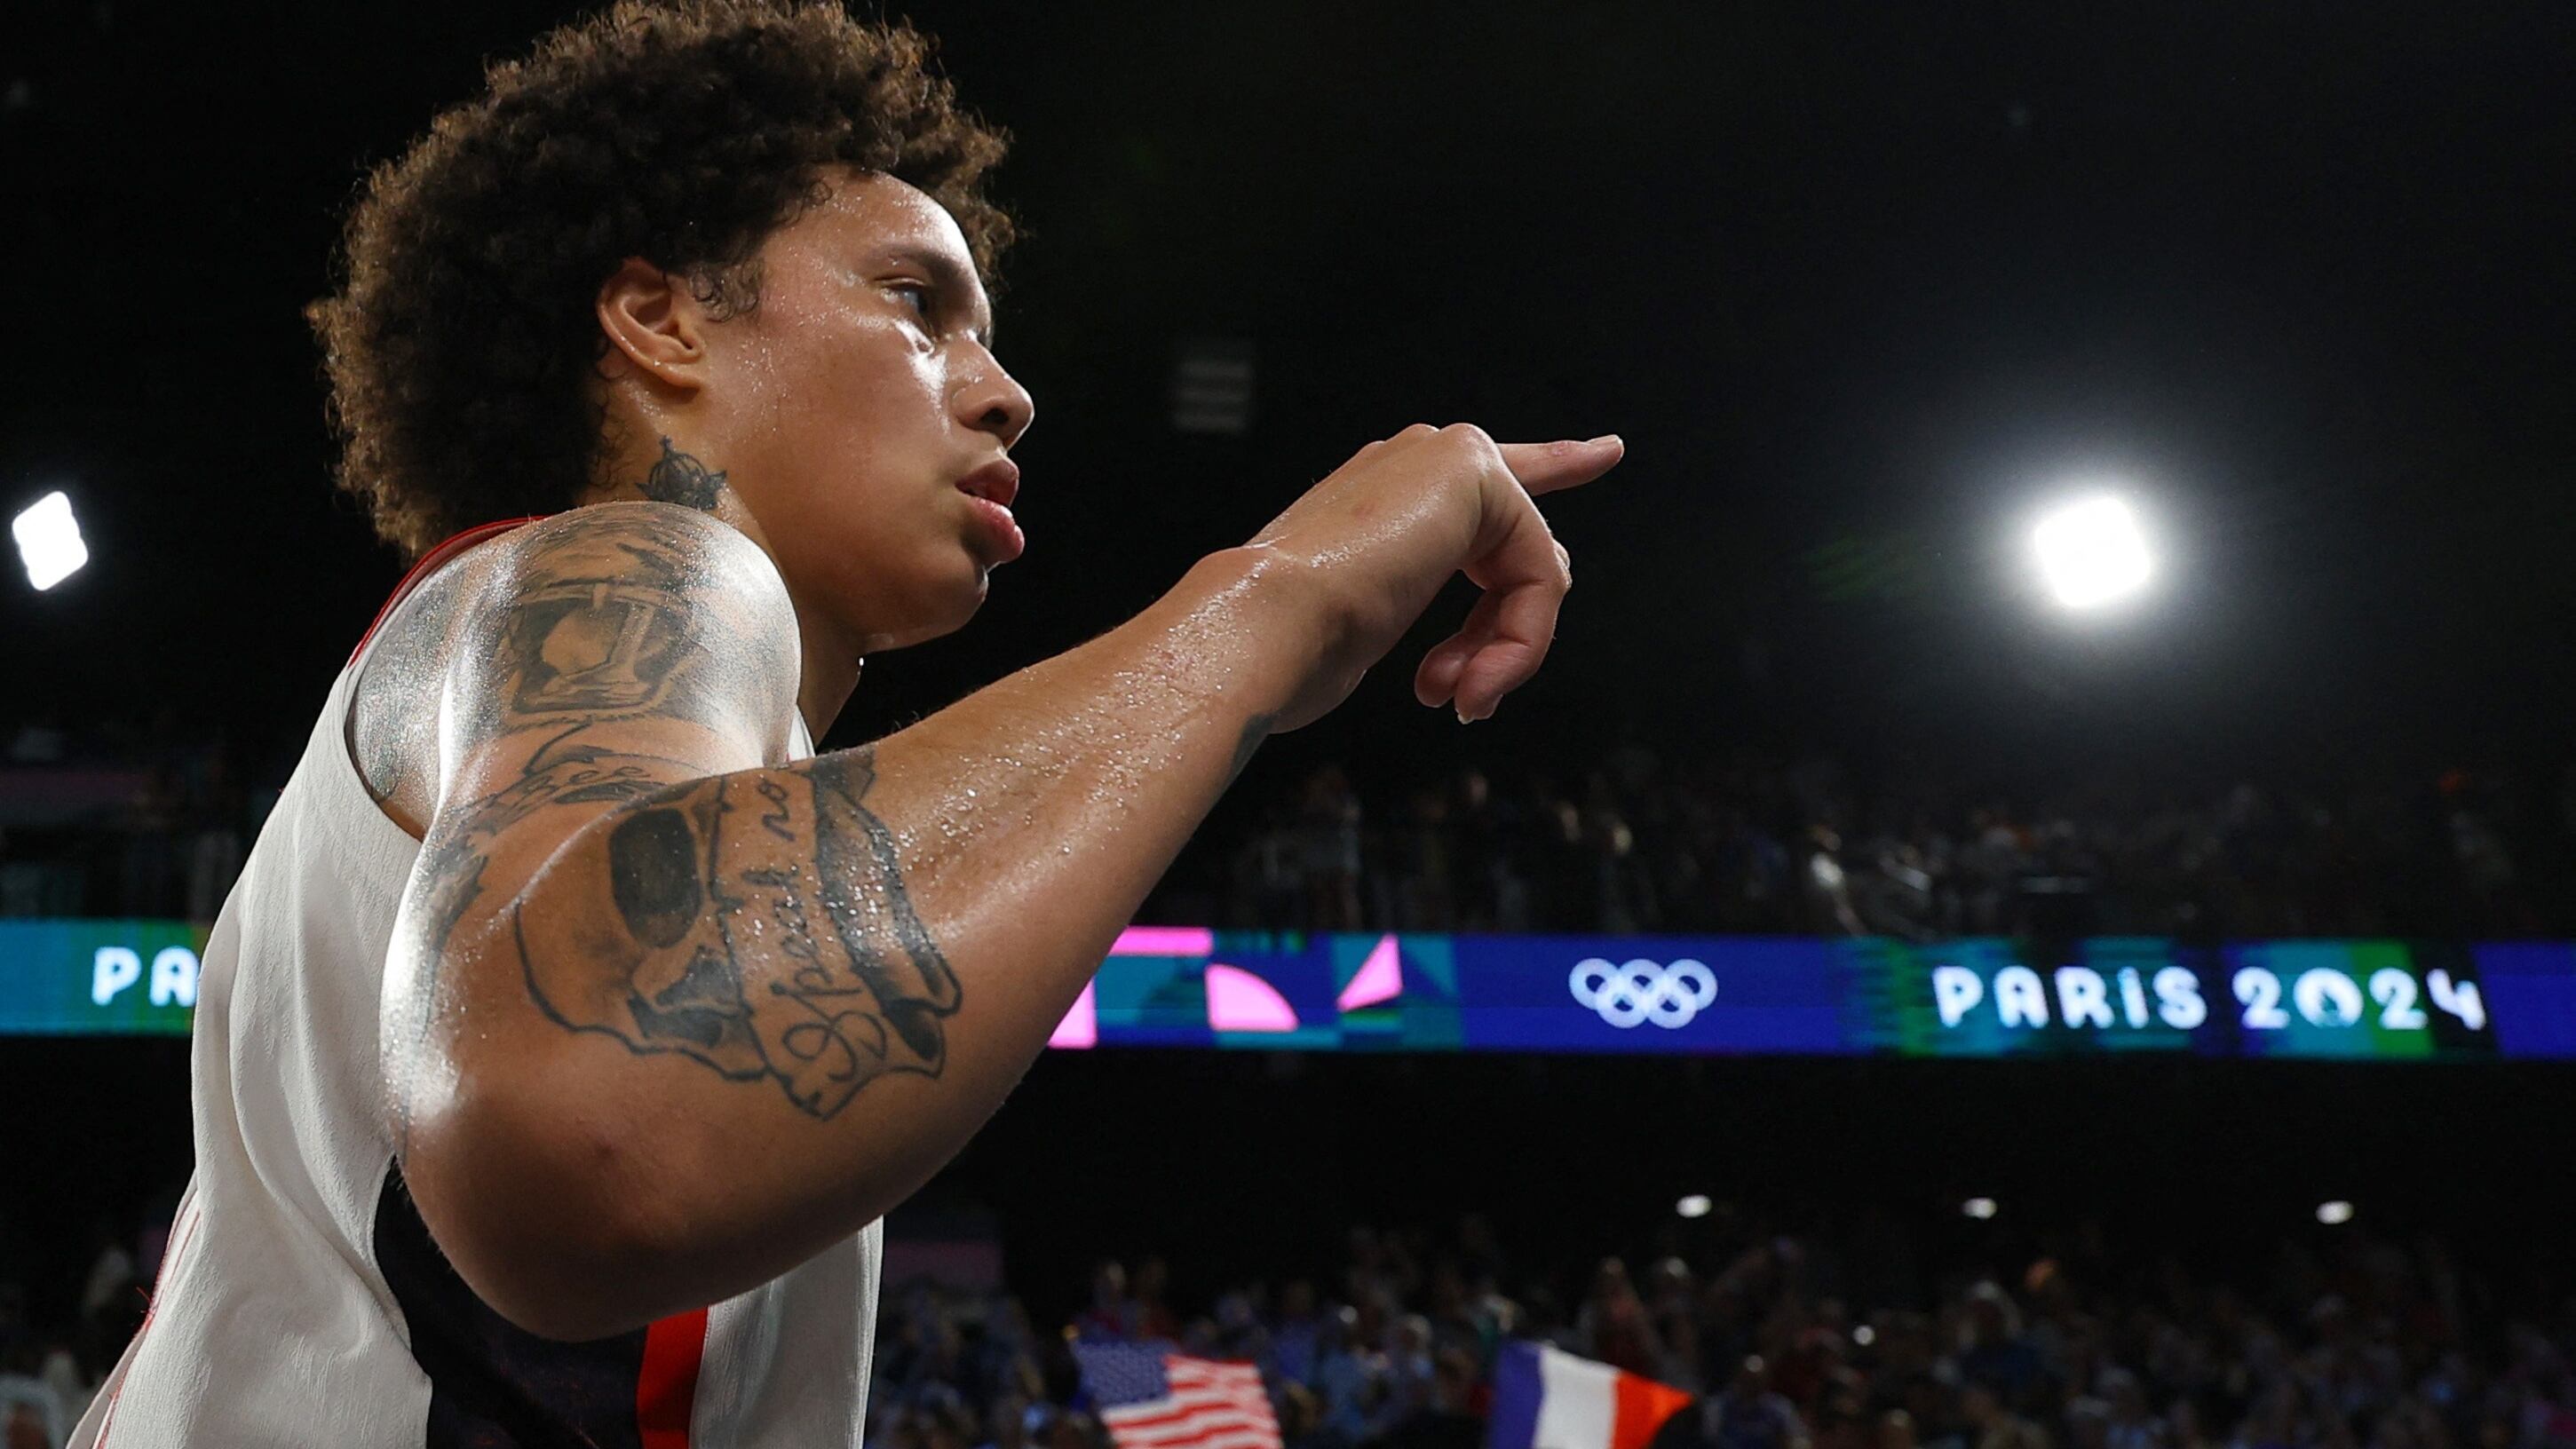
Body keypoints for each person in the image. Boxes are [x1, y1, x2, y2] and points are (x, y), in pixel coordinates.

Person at [67, 1, 1619, 1443]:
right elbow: (594, 1127)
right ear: (659, 322)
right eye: (917, 303)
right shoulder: (627, 564)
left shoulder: (541, 706)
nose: (1003, 390)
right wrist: (1279, 601)